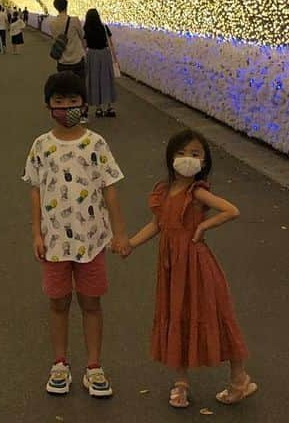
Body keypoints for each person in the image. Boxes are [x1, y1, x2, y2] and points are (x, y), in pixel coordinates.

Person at [122, 130, 257, 409]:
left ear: (204, 161)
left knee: (216, 315)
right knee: (176, 315)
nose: (187, 159)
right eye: (182, 153)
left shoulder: (197, 192)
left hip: (196, 264)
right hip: (172, 267)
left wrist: (203, 225)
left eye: (195, 154)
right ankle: (180, 382)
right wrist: (131, 244)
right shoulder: (163, 191)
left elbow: (231, 210)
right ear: (170, 157)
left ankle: (239, 379)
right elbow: (157, 225)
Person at [23, 71, 129, 399]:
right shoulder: (41, 146)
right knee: (58, 302)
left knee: (91, 302)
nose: (66, 107)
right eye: (59, 102)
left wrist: (119, 232)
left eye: (72, 101)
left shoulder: (96, 143)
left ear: (83, 103)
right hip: (54, 241)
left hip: (92, 239)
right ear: (48, 106)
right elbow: (36, 191)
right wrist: (36, 232)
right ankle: (60, 364)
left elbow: (109, 188)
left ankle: (94, 367)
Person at [45, 0, 87, 121]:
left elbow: (55, 39)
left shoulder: (52, 23)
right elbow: (82, 36)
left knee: (65, 88)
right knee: (80, 86)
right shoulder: (74, 20)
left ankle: (67, 114)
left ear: (55, 7)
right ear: (67, 5)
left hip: (62, 60)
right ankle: (82, 114)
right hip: (77, 58)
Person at [82, 8, 116, 118]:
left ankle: (98, 109)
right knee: (107, 80)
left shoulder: (86, 29)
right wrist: (115, 59)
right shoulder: (104, 28)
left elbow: (85, 45)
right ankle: (110, 107)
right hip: (105, 55)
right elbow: (110, 44)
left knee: (95, 81)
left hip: (92, 55)